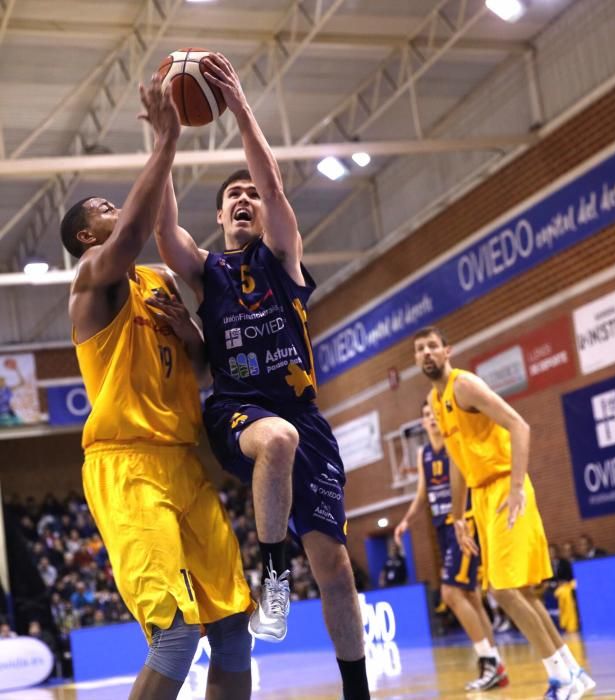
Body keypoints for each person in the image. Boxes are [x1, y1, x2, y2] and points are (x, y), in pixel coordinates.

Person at [155, 53, 370, 700]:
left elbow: (275, 187)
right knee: (275, 440)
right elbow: (162, 227)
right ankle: (274, 572)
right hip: (238, 413)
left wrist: (240, 103)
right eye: (232, 198)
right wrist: (163, 134)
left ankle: (356, 689)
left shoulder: (282, 258)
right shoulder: (205, 272)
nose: (245, 198)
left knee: (335, 572)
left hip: (307, 419)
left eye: (249, 192)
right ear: (219, 220)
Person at [60, 74, 253, 700]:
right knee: (175, 638)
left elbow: (197, 370)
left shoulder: (160, 286)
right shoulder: (94, 279)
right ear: (89, 238)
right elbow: (135, 232)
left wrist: (193, 336)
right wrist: (165, 141)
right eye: (105, 213)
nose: (117, 212)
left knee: (231, 632)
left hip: (183, 462)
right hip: (127, 466)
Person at [414, 326, 596, 700]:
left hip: (503, 488)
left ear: (448, 351)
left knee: (505, 589)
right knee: (523, 594)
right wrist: (459, 516)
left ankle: (560, 678)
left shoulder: (464, 386)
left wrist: (515, 489)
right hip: (479, 498)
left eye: (433, 346)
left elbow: (519, 425)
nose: (426, 353)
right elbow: (458, 462)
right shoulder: (435, 401)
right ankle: (572, 671)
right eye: (420, 349)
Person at [394, 401, 508, 691]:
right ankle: (495, 663)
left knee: (450, 592)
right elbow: (423, 492)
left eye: (434, 413)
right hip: (441, 528)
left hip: (462, 523)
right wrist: (407, 520)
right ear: (422, 423)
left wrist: (463, 520)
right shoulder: (424, 454)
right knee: (469, 597)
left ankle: (489, 661)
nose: (431, 418)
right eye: (426, 415)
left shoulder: (453, 444)